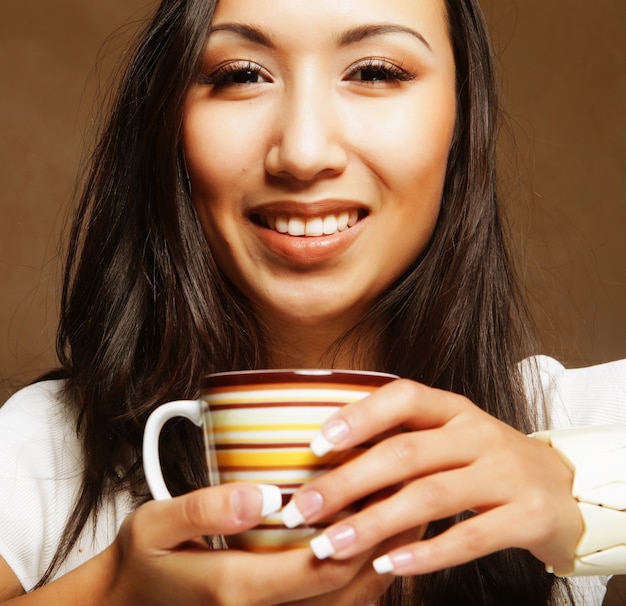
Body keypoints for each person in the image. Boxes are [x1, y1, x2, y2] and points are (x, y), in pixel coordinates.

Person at [0, 0, 625, 604]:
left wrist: (580, 492)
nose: (302, 153)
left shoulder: (558, 423)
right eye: (242, 75)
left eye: (375, 72)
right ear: (167, 122)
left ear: (463, 120)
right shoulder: (47, 453)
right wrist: (111, 597)